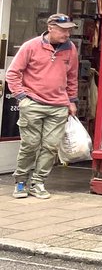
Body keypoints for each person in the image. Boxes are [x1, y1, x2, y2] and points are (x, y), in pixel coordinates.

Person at [6, 14, 79, 200]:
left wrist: (72, 101)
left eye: (69, 30)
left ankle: (38, 182)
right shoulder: (31, 46)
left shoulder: (70, 49)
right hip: (33, 103)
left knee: (51, 147)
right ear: (50, 27)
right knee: (30, 144)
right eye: (63, 30)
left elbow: (72, 77)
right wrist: (22, 97)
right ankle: (21, 181)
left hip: (58, 106)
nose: (67, 33)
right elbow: (13, 73)